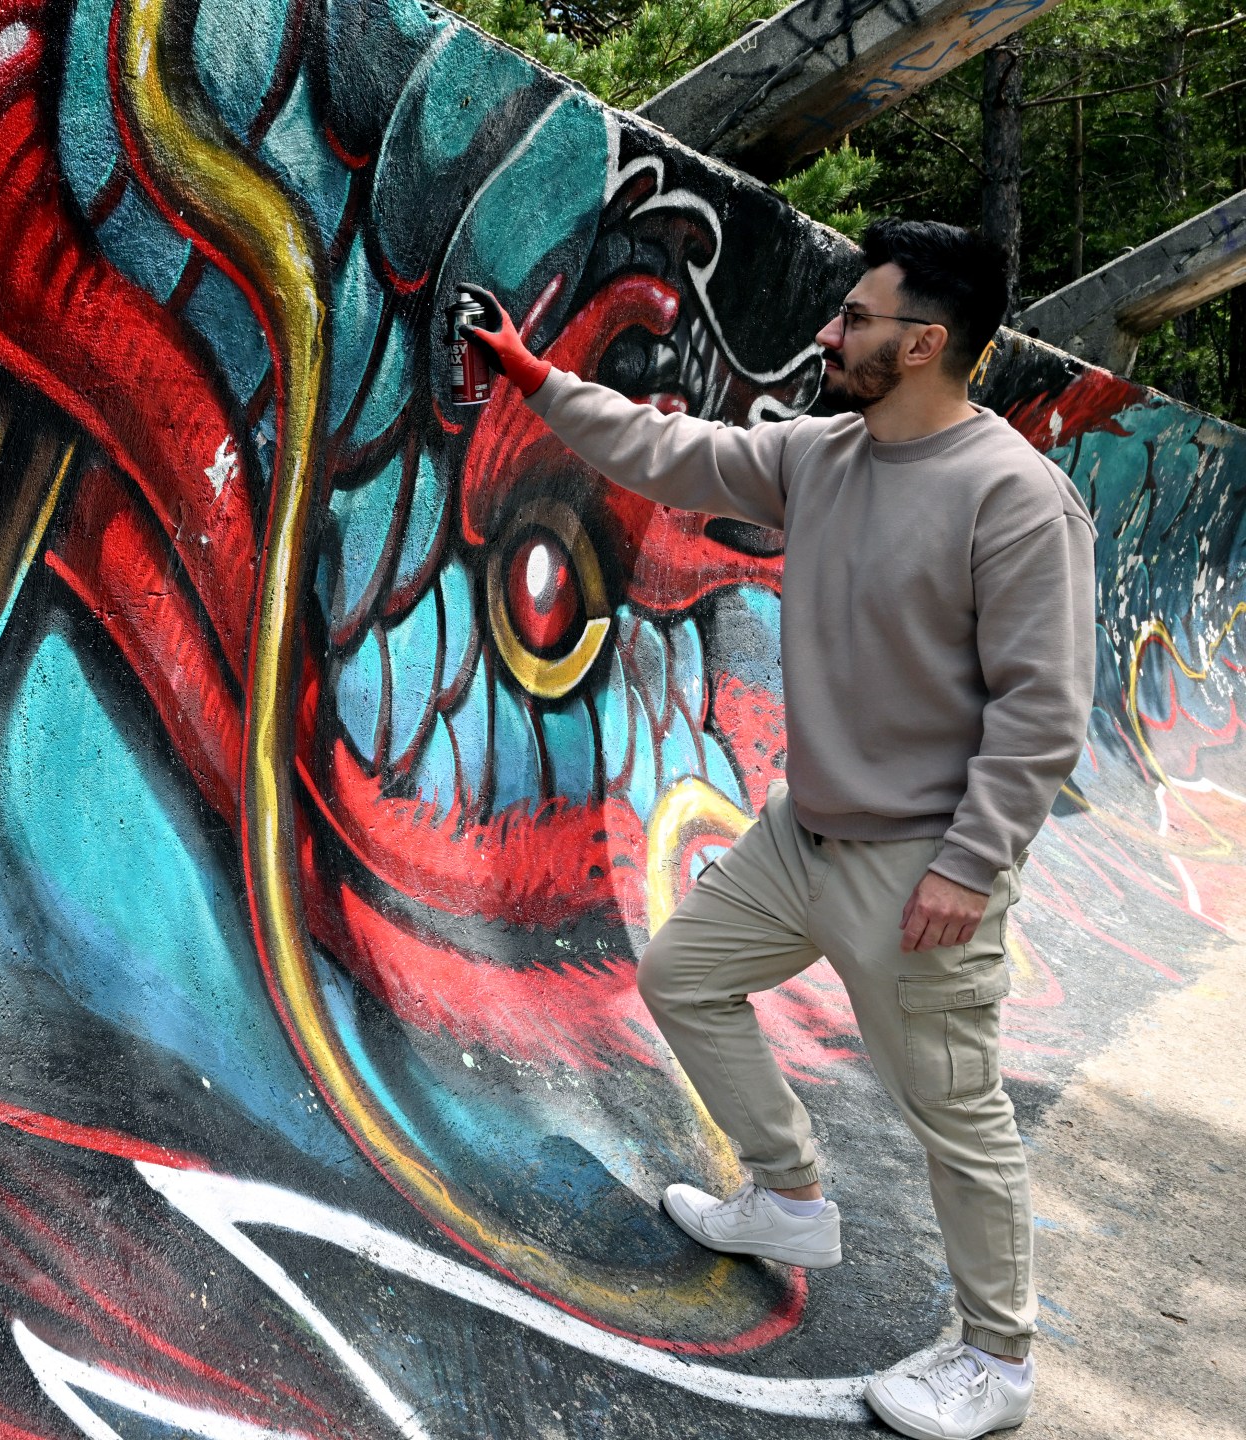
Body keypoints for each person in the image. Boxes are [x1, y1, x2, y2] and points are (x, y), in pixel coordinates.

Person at [464, 218, 1095, 1440]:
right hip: (802, 834)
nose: (827, 331)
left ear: (924, 344)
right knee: (682, 975)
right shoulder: (823, 455)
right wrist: (539, 379)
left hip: (922, 868)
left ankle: (997, 1361)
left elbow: (1043, 709)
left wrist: (971, 866)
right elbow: (671, 452)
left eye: (854, 317)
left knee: (956, 1118)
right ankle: (791, 1197)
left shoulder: (1016, 499)